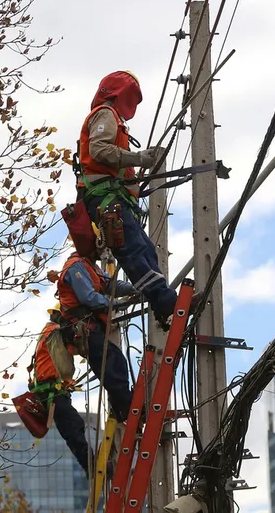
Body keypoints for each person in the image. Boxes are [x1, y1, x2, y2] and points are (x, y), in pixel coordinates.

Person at [75, 70, 202, 324]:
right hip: (105, 197)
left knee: (145, 250)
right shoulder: (105, 114)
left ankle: (162, 302)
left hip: (113, 197)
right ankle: (165, 301)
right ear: (118, 93)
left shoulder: (113, 118)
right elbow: (99, 150)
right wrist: (140, 158)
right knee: (133, 251)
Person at [54, 247, 140, 425]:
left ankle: (124, 408)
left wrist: (136, 288)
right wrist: (115, 304)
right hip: (83, 328)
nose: (102, 250)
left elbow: (110, 285)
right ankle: (125, 408)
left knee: (116, 363)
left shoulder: (90, 266)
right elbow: (89, 297)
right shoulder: (75, 267)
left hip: (90, 328)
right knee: (112, 366)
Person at [29, 304, 91, 477]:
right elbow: (75, 345)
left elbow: (71, 349)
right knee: (73, 426)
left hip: (53, 391)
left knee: (73, 426)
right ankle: (90, 465)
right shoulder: (54, 331)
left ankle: (90, 464)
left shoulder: (50, 334)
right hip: (51, 392)